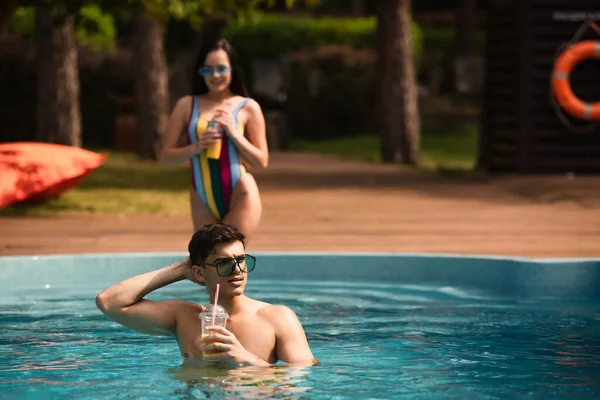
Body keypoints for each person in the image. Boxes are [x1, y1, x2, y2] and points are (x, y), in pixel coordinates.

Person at [95, 223, 318, 367]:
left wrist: (245, 358)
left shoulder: (277, 317)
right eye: (223, 264)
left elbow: (304, 378)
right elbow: (109, 301)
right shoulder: (183, 317)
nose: (237, 270)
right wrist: (180, 270)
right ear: (199, 273)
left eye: (241, 260)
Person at [159, 39, 268, 240]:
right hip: (201, 196)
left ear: (232, 69)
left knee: (230, 256)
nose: (215, 75)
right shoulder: (186, 105)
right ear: (201, 72)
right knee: (207, 263)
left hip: (240, 193)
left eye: (221, 68)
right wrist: (198, 147)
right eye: (208, 70)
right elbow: (165, 157)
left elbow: (261, 162)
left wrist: (234, 134)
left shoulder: (248, 107)